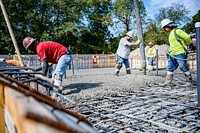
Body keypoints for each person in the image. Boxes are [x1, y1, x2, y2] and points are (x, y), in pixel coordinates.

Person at [159, 19, 192, 87]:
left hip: (180, 52)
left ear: (168, 26)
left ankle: (189, 81)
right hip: (172, 54)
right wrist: (169, 51)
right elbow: (173, 44)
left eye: (164, 27)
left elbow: (187, 37)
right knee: (170, 67)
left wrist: (187, 44)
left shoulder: (177, 31)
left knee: (182, 67)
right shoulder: (170, 34)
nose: (164, 29)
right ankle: (168, 82)